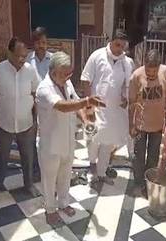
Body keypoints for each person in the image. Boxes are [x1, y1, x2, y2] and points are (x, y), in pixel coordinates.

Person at [36, 51, 105, 226]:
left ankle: (63, 203)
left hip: (67, 140)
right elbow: (63, 106)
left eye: (69, 74)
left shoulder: (66, 84)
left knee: (65, 175)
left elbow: (75, 102)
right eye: (65, 74)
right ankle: (50, 210)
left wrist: (85, 120)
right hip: (50, 144)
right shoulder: (44, 89)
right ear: (53, 73)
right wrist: (88, 101)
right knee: (49, 179)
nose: (68, 77)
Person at [0, 37, 40, 199]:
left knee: (28, 157)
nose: (21, 59)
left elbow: (36, 95)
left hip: (27, 124)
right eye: (18, 55)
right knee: (2, 156)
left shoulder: (30, 70)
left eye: (24, 56)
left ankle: (28, 185)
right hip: (5, 124)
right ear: (9, 52)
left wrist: (37, 120)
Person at [81, 30, 134, 185]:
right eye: (117, 45)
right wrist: (88, 104)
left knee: (108, 142)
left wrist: (126, 97)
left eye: (123, 46)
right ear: (110, 41)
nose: (120, 49)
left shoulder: (127, 62)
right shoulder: (97, 56)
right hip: (96, 108)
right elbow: (85, 80)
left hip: (114, 111)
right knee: (92, 138)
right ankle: (92, 166)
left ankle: (102, 172)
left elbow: (128, 84)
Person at [128, 49, 166, 197]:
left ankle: (149, 182)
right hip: (140, 125)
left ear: (159, 67)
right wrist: (131, 125)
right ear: (144, 66)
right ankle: (138, 183)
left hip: (157, 124)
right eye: (148, 73)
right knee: (138, 155)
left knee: (154, 155)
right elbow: (131, 103)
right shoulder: (136, 76)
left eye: (154, 73)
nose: (150, 76)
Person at [27, 26, 52, 181]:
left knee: (49, 137)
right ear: (34, 43)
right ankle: (35, 168)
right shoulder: (28, 59)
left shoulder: (54, 59)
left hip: (50, 105)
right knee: (32, 139)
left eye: (43, 42)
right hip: (32, 105)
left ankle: (49, 168)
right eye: (38, 42)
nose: (41, 45)